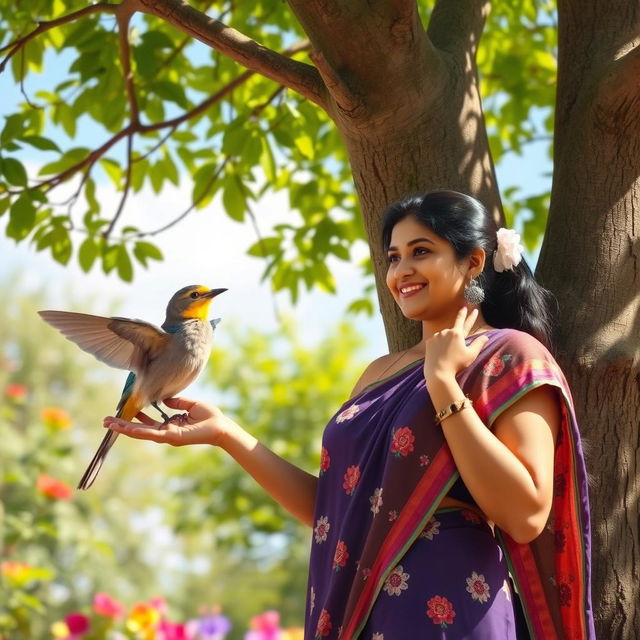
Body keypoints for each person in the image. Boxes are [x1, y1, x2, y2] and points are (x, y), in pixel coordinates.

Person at [103, 190, 595, 639]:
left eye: (421, 251)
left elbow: (526, 514)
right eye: (394, 257)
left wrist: (444, 383)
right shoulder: (378, 374)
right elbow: (335, 510)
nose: (402, 270)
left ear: (474, 262)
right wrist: (227, 435)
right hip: (354, 611)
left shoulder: (509, 354)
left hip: (446, 608)